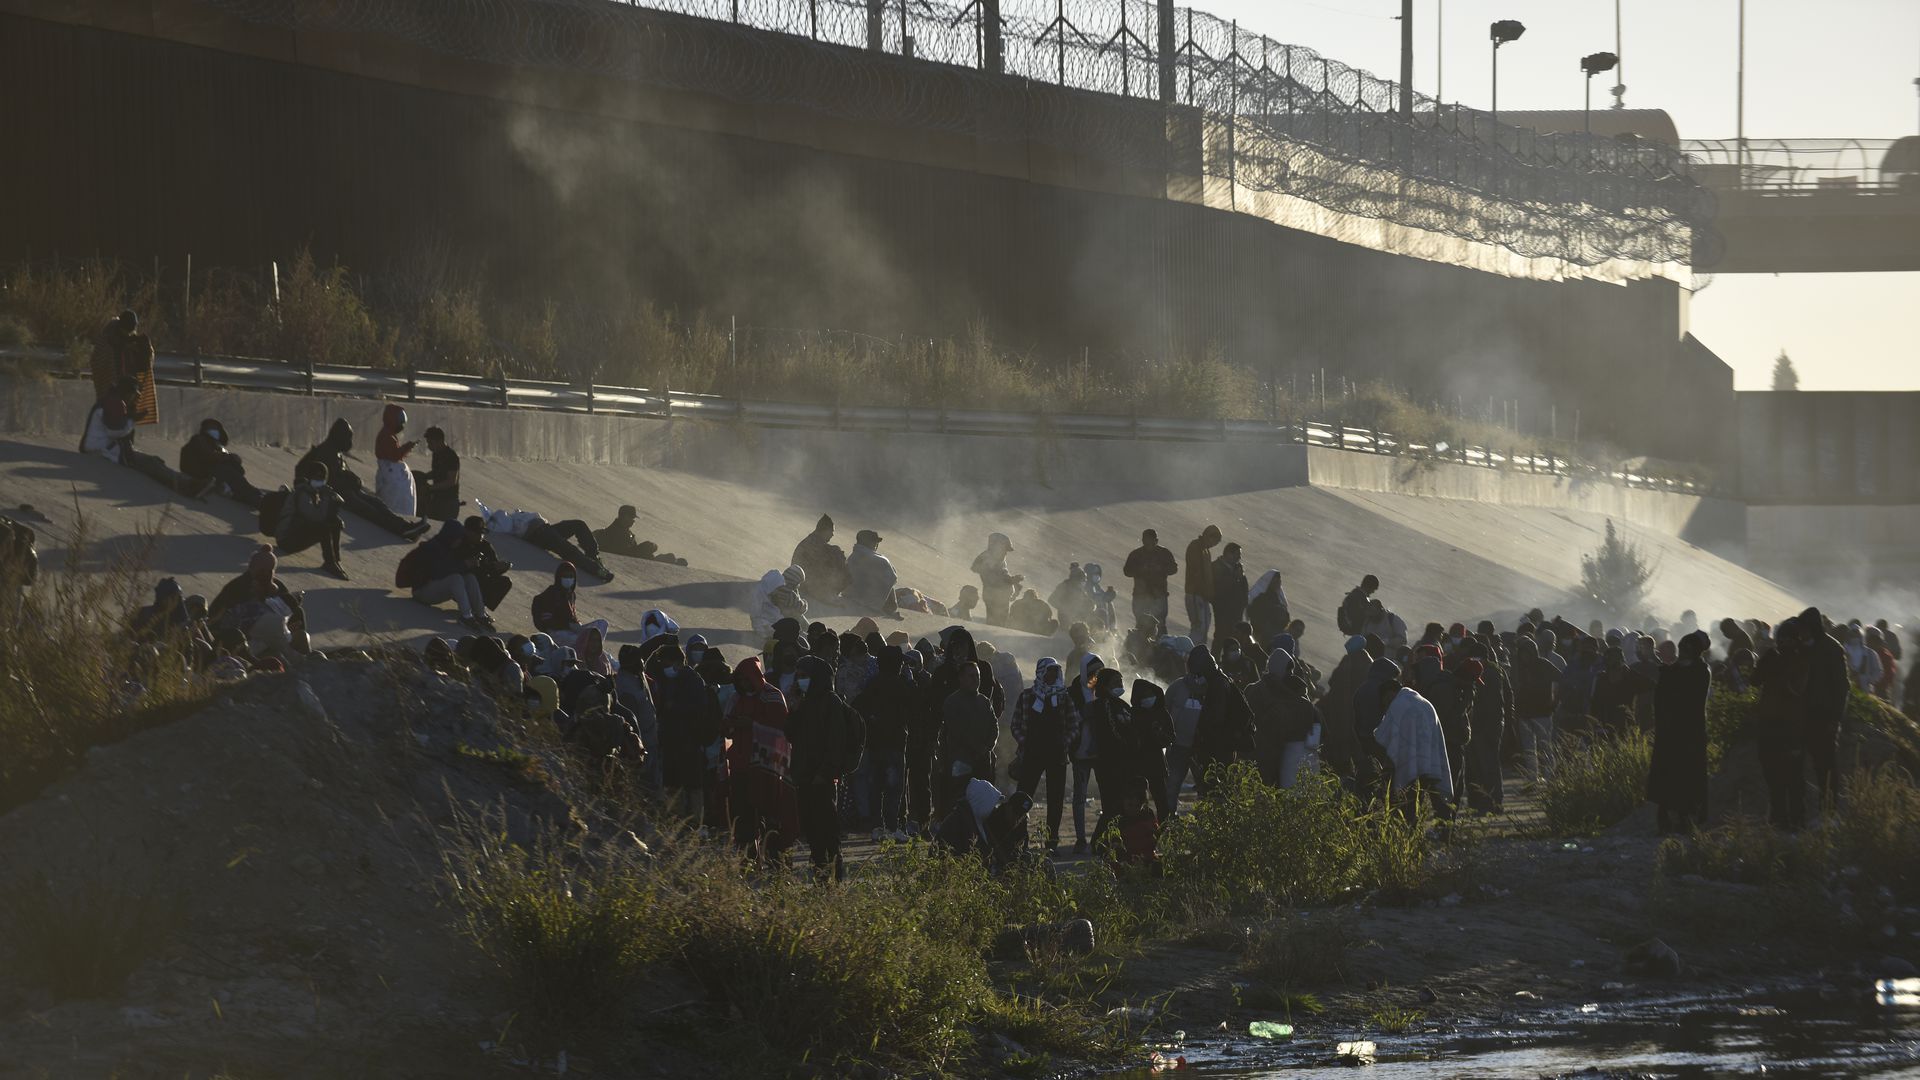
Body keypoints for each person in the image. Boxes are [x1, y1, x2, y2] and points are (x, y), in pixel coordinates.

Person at [788, 654, 866, 882]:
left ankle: (834, 881)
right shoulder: (806, 702)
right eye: (798, 676)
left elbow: (836, 742)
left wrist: (824, 773)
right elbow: (790, 734)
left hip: (822, 780)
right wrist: (794, 707)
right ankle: (822, 880)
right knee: (813, 834)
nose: (801, 680)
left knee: (828, 834)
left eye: (805, 676)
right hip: (804, 778)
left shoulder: (830, 702)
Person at [299, 419, 431, 540]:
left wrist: (351, 479)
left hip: (346, 491)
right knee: (370, 510)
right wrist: (350, 480)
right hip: (335, 495)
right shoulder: (326, 452)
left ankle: (406, 526)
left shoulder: (333, 451)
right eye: (348, 436)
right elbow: (329, 479)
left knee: (377, 504)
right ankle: (401, 529)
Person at [81, 377, 208, 498]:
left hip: (106, 449)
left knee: (155, 461)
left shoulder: (112, 401)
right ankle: (187, 485)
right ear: (126, 392)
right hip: (101, 451)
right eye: (133, 395)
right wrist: (132, 420)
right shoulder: (114, 403)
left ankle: (187, 482)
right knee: (151, 463)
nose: (134, 399)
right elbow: (115, 432)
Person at [725, 656, 798, 862]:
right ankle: (749, 863)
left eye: (746, 679)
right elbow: (725, 725)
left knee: (772, 818)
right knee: (744, 818)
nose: (743, 684)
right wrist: (732, 724)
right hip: (741, 766)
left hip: (769, 768)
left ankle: (778, 864)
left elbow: (781, 730)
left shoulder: (772, 696)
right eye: (739, 680)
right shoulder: (735, 699)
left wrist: (752, 724)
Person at [1647, 630, 1713, 835]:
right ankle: (1665, 817)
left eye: (1687, 647)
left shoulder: (1701, 671)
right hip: (1670, 732)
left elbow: (1691, 699)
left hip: (1690, 732)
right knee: (1667, 773)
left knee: (1688, 775)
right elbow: (1660, 700)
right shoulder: (1671, 671)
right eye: (1682, 646)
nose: (1682, 650)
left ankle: (1685, 817)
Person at [853, 646, 918, 842]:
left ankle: (877, 827)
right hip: (895, 744)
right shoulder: (902, 685)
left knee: (876, 787)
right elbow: (914, 712)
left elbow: (857, 708)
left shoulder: (871, 685)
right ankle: (892, 827)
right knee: (894, 789)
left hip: (874, 744)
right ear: (896, 664)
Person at [1013, 658, 1074, 855]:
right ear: (1040, 672)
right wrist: (1025, 741)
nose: (1053, 676)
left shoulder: (1064, 697)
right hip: (1031, 754)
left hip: (1057, 754)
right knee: (1023, 797)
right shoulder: (1027, 696)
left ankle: (1052, 839)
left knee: (1056, 798)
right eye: (1049, 672)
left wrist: (1065, 741)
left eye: (1055, 672)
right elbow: (1015, 724)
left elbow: (1074, 724)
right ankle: (1020, 837)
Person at [1755, 618, 1810, 830]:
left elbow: (1797, 691)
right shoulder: (1773, 657)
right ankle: (1779, 817)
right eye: (1782, 639)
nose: (1784, 643)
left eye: (1788, 639)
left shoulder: (1803, 661)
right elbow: (1754, 679)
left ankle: (1796, 818)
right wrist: (1767, 662)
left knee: (1793, 775)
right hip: (1770, 723)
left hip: (1792, 725)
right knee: (1772, 773)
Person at [476, 501, 615, 582]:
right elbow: (502, 528)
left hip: (546, 529)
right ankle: (596, 570)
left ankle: (593, 556)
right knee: (567, 549)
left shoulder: (512, 517)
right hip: (539, 535)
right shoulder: (502, 522)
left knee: (578, 524)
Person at [1373, 680, 1453, 820]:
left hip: (1409, 758)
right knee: (1436, 796)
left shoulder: (1398, 705)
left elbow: (1383, 735)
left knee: (1408, 797)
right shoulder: (1424, 702)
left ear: (1389, 693)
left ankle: (1409, 830)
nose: (1386, 704)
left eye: (1385, 700)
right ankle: (1446, 831)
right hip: (1430, 757)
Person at [209, 546, 308, 655]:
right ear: (253, 568)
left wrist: (288, 628)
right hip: (245, 638)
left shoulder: (277, 586)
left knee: (298, 617)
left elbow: (287, 608)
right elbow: (224, 620)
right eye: (262, 570)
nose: (266, 574)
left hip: (276, 632)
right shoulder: (237, 588)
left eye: (270, 571)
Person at [1245, 647, 1320, 788]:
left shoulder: (1253, 688)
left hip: (1256, 750)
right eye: (1288, 670)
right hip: (1268, 750)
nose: (1290, 674)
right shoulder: (1282, 693)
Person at [1800, 609, 1850, 810]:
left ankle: (1830, 807)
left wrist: (1835, 718)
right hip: (1806, 713)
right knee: (1809, 761)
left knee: (1826, 763)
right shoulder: (1806, 647)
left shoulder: (1832, 648)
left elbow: (1842, 686)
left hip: (1824, 715)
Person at [405, 519, 495, 630]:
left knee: (469, 578)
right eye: (458, 537)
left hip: (434, 588)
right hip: (422, 592)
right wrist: (465, 565)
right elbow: (439, 573)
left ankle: (480, 614)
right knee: (455, 579)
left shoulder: (450, 548)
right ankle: (466, 616)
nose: (460, 540)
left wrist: (472, 565)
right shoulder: (435, 548)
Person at [937, 663, 999, 812]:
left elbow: (994, 727)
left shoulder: (984, 701)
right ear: (961, 678)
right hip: (961, 762)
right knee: (959, 802)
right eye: (971, 676)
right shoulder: (952, 702)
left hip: (983, 761)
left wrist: (987, 747)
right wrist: (977, 748)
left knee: (984, 802)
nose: (976, 679)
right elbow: (957, 731)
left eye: (977, 676)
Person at [275, 458, 349, 579]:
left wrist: (332, 504)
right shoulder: (302, 493)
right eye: (317, 478)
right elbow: (316, 517)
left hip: (296, 533)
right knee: (323, 529)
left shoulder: (313, 492)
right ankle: (329, 562)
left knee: (335, 522)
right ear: (310, 478)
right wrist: (326, 497)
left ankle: (335, 560)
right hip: (286, 540)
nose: (319, 481)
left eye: (322, 479)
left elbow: (321, 515)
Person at [1066, 653, 1105, 853]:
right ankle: (1081, 839)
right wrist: (1084, 714)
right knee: (1079, 797)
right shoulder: (1073, 693)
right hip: (1081, 752)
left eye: (1098, 673)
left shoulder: (1103, 690)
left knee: (1106, 794)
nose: (1095, 677)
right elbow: (1068, 720)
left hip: (1101, 753)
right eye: (1092, 673)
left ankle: (1104, 837)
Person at [92, 310, 157, 424]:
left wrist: (144, 348)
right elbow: (98, 362)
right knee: (114, 421)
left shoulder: (134, 340)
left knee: (128, 420)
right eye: (126, 331)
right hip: (112, 389)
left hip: (128, 390)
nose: (128, 334)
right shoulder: (107, 339)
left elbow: (146, 363)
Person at [178, 419, 262, 506]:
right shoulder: (199, 439)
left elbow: (237, 468)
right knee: (226, 471)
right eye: (210, 428)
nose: (213, 431)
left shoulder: (215, 445)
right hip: (199, 471)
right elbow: (208, 455)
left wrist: (233, 460)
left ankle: (250, 494)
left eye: (214, 428)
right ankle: (255, 498)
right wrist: (228, 458)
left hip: (207, 471)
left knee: (232, 475)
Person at [1509, 636, 1559, 781]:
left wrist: (1554, 700)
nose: (1524, 656)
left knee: (1545, 747)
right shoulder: (1518, 667)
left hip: (1543, 713)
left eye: (1527, 653)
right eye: (1522, 653)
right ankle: (1532, 778)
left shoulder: (1544, 664)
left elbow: (1561, 678)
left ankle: (1550, 777)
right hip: (1524, 714)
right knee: (1529, 749)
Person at [530, 561, 609, 646]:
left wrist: (577, 625)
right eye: (565, 576)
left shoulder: (571, 595)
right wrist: (568, 625)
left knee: (602, 624)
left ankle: (592, 649)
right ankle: (584, 651)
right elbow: (546, 621)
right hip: (556, 633)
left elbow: (572, 617)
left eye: (571, 576)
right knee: (580, 640)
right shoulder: (551, 594)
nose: (568, 579)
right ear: (559, 577)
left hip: (571, 631)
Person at [1122, 530, 1178, 635]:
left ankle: (1160, 649)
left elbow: (1173, 569)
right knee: (1141, 625)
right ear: (1143, 541)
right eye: (1146, 541)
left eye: (1151, 541)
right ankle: (1140, 649)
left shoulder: (1163, 553)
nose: (1149, 544)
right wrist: (1141, 570)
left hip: (1158, 596)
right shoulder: (1136, 554)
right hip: (1141, 596)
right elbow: (1127, 571)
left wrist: (1160, 568)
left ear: (1156, 541)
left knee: (1159, 625)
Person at [592, 505, 684, 565]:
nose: (633, 521)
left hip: (643, 562)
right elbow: (622, 555)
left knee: (670, 557)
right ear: (624, 516)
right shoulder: (613, 532)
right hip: (633, 564)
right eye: (631, 517)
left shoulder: (626, 532)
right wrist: (644, 548)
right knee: (667, 557)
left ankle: (673, 563)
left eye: (633, 518)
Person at [791, 514, 851, 602]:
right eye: (831, 531)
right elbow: (820, 567)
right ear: (824, 530)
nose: (832, 535)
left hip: (806, 582)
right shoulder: (813, 544)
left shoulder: (814, 541)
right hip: (806, 585)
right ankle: (831, 593)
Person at [373, 404, 419, 518]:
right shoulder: (387, 436)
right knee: (396, 505)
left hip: (390, 472)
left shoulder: (388, 435)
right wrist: (408, 446)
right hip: (391, 475)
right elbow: (394, 455)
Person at [1181, 525, 1222, 644]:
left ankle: (1197, 651)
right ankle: (1187, 650)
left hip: (1203, 595)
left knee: (1204, 626)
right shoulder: (1196, 547)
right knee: (1198, 626)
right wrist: (1204, 589)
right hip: (1195, 593)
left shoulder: (1205, 550)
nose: (1214, 545)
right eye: (1215, 541)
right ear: (1208, 536)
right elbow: (1196, 571)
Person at [970, 533, 1021, 625]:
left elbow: (1002, 576)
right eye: (1005, 549)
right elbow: (992, 578)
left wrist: (1013, 581)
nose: (1006, 553)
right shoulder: (987, 558)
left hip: (1001, 597)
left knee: (1000, 623)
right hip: (994, 597)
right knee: (996, 623)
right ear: (997, 546)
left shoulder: (999, 559)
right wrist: (1011, 580)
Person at [845, 529, 899, 614]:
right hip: (867, 601)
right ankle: (888, 607)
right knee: (888, 578)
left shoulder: (853, 555)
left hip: (849, 594)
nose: (876, 545)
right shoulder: (879, 560)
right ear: (868, 542)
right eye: (875, 542)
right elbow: (893, 578)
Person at [413, 426, 461, 522]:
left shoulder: (451, 456)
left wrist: (429, 488)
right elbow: (437, 472)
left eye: (430, 442)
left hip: (448, 503)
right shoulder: (437, 454)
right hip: (437, 500)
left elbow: (451, 481)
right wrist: (425, 477)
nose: (429, 446)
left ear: (439, 441)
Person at [751, 566, 809, 641]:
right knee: (796, 614)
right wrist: (798, 596)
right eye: (798, 583)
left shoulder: (774, 582)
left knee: (792, 613)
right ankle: (811, 634)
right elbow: (801, 608)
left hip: (760, 624)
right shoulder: (785, 592)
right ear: (794, 581)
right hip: (770, 628)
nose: (798, 586)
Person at [1209, 543, 1249, 650]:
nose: (1239, 558)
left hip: (1236, 611)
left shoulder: (1238, 569)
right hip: (1223, 609)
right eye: (1237, 554)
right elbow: (1219, 589)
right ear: (1228, 553)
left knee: (1234, 639)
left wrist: (1243, 603)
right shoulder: (1216, 567)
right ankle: (1215, 661)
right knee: (1220, 636)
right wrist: (1235, 578)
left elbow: (1245, 589)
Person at [1049, 564, 1095, 630]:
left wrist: (1090, 605)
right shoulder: (1065, 586)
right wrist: (1064, 609)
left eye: (1084, 580)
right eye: (1082, 579)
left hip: (1080, 620)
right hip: (1066, 620)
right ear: (1076, 578)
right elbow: (1051, 599)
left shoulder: (1081, 590)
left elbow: (1088, 603)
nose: (1083, 582)